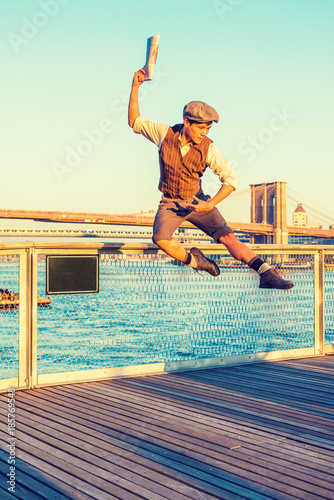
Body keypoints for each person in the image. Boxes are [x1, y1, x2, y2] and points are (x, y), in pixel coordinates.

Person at [128, 69, 293, 290]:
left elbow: (231, 179)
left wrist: (210, 204)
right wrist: (135, 86)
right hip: (171, 203)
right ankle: (198, 262)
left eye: (208, 128)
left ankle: (266, 274)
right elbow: (134, 121)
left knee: (229, 239)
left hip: (197, 201)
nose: (204, 132)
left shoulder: (209, 149)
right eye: (201, 127)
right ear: (186, 122)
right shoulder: (163, 133)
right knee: (160, 238)